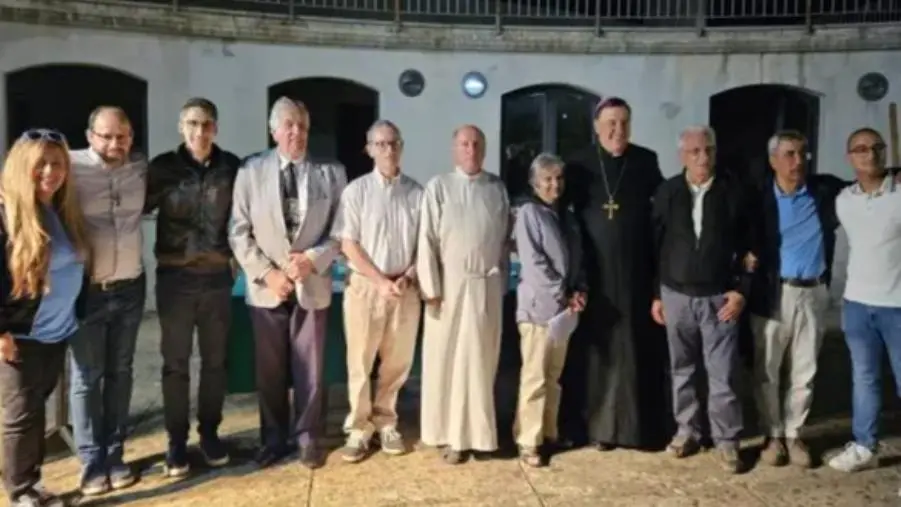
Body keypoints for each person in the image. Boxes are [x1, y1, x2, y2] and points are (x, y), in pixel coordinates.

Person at [229, 97, 346, 469]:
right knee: (271, 370)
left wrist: (312, 260)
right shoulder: (250, 171)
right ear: (274, 130)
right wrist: (269, 273)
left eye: (303, 126)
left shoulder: (331, 172)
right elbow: (238, 231)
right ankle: (274, 439)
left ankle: (309, 438)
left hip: (312, 283)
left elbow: (341, 231)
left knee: (311, 367)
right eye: (289, 125)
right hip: (267, 288)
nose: (297, 132)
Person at [562, 96, 669, 450]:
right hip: (596, 276)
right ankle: (598, 429)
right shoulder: (578, 164)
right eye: (610, 122)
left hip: (637, 273)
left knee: (636, 353)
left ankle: (637, 430)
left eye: (623, 122)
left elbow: (660, 219)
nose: (617, 130)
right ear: (596, 126)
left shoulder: (645, 161)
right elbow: (565, 219)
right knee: (598, 355)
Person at [746, 130, 856, 469]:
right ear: (773, 160)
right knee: (767, 369)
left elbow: (868, 184)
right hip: (773, 291)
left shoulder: (825, 191)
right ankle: (772, 435)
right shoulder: (758, 197)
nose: (798, 162)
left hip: (814, 291)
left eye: (802, 154)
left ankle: (795, 434)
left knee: (805, 369)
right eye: (790, 154)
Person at [145, 98, 241, 476]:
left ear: (215, 128)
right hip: (176, 280)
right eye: (191, 123)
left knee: (216, 364)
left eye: (206, 124)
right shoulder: (163, 168)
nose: (199, 131)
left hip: (217, 279)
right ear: (181, 126)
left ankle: (211, 433)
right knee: (176, 365)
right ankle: (175, 442)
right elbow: (129, 208)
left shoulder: (231, 167)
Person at [652, 126, 752, 473]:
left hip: (718, 299)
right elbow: (656, 246)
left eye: (708, 150)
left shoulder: (733, 192)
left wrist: (741, 290)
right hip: (676, 296)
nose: (703, 158)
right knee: (681, 371)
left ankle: (727, 441)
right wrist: (656, 294)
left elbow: (751, 246)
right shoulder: (668, 192)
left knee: (722, 374)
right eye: (694, 151)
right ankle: (687, 431)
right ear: (682, 155)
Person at [0, 129, 89, 507]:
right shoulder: (6, 215)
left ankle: (31, 482)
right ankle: (19, 490)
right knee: (19, 416)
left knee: (35, 407)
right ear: (24, 167)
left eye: (57, 164)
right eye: (42, 164)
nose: (51, 172)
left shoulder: (56, 210)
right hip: (22, 335)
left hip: (55, 332)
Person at [417, 125, 511, 464]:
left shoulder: (496, 188)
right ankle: (452, 437)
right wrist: (431, 289)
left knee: (480, 364)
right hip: (449, 290)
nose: (470, 149)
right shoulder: (439, 187)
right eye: (464, 144)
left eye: (476, 144)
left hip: (485, 287)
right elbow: (426, 239)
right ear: (454, 149)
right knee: (450, 364)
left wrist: (499, 286)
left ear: (484, 149)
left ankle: (480, 436)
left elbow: (502, 242)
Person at [332, 120, 423, 462]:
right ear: (369, 149)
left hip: (404, 289)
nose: (388, 150)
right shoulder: (355, 192)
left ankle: (386, 421)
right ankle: (358, 427)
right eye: (380, 144)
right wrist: (379, 280)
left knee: (397, 361)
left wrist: (408, 275)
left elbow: (424, 244)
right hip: (366, 288)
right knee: (360, 360)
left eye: (393, 143)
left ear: (401, 146)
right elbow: (348, 243)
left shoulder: (417, 193)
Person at [69, 106, 147, 495]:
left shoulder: (140, 169)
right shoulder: (67, 168)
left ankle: (115, 454)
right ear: (90, 135)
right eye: (106, 136)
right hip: (87, 290)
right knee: (86, 378)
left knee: (121, 372)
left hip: (131, 287)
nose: (115, 143)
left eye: (122, 136)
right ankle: (90, 462)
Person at [828, 128, 901, 472]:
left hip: (898, 304)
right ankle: (864, 446)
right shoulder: (845, 201)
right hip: (857, 303)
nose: (869, 154)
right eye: (860, 149)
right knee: (864, 377)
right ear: (850, 157)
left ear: (885, 153)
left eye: (876, 148)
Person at [512, 153, 587, 467]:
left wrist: (580, 290)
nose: (554, 184)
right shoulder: (529, 213)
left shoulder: (565, 215)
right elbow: (536, 264)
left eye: (559, 178)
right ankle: (528, 440)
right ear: (534, 183)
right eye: (547, 179)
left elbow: (577, 257)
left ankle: (548, 434)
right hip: (538, 310)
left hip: (564, 313)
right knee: (535, 377)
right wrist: (563, 294)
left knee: (553, 377)